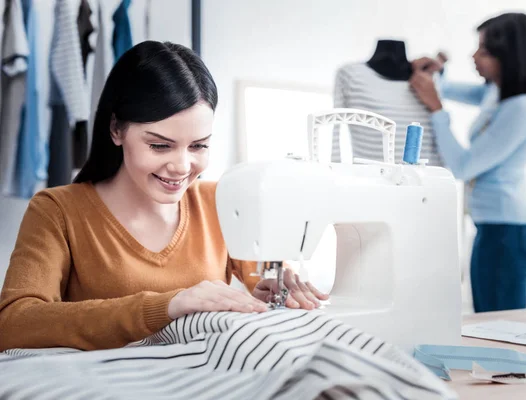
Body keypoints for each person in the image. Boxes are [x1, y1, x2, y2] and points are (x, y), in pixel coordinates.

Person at [0, 41, 328, 351]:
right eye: (159, 145)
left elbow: (269, 282)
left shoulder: (223, 202)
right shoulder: (57, 211)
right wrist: (168, 306)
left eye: (199, 145)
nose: (182, 166)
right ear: (116, 129)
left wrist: (276, 293)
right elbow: (13, 323)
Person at [409, 13, 526, 313]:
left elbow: (462, 166)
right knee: (491, 319)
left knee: (500, 325)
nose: (473, 56)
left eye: (484, 50)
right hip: (498, 228)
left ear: (510, 56)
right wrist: (437, 76)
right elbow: (450, 90)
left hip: (508, 232)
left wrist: (436, 109)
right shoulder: (497, 94)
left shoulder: (522, 109)